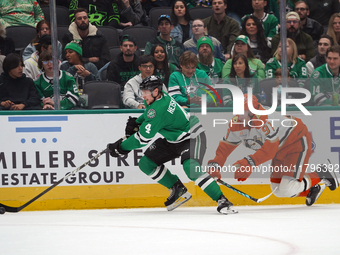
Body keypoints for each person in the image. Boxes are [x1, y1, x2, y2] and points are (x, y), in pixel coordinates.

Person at [107, 75, 237, 214]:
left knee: (190, 167)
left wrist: (122, 148)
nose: (143, 96)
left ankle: (222, 200)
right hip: (173, 139)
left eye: (145, 92)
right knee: (146, 163)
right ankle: (177, 188)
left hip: (192, 136)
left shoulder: (159, 108)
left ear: (155, 91)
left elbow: (142, 140)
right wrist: (138, 122)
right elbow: (149, 115)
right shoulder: (158, 100)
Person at [207, 93, 339, 207]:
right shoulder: (238, 123)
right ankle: (312, 188)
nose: (239, 115)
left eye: (243, 111)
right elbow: (225, 147)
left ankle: (322, 172)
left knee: (287, 188)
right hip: (280, 149)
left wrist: (249, 163)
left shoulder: (264, 120)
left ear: (251, 111)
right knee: (277, 189)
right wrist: (216, 164)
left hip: (296, 142)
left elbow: (270, 149)